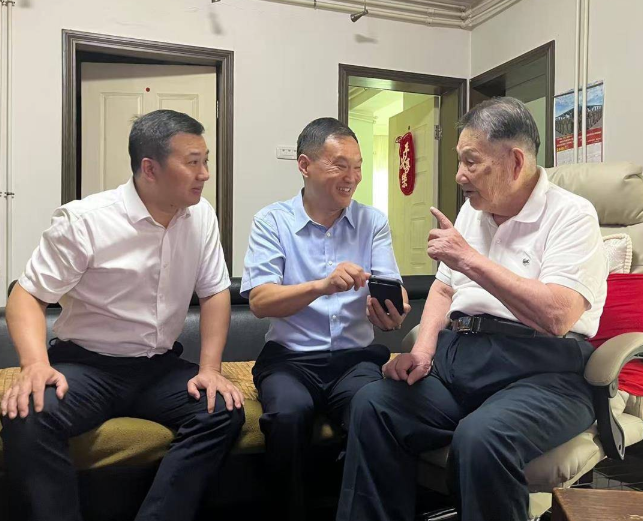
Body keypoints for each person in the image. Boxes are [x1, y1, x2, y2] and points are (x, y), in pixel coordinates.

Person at [336, 97, 607, 521]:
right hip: (461, 358)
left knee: (481, 438)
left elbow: (557, 316)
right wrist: (422, 351)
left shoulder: (572, 215)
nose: (459, 175)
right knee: (373, 404)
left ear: (515, 162)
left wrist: (469, 259)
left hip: (543, 370)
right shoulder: (472, 211)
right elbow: (444, 289)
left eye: (471, 161)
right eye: (459, 160)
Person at [0, 109, 245, 521]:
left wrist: (210, 369)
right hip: (87, 366)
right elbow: (26, 296)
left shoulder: (201, 216)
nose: (205, 174)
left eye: (205, 161)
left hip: (157, 369)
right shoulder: (85, 221)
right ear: (150, 168)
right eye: (192, 162)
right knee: (28, 415)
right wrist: (35, 365)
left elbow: (215, 292)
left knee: (222, 411)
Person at [241, 117, 410, 521]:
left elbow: (393, 288)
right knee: (287, 415)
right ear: (305, 165)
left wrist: (393, 309)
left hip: (355, 360)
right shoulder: (272, 221)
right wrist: (322, 286)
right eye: (340, 165)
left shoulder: (372, 222)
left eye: (358, 166)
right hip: (290, 360)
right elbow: (260, 301)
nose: (352, 178)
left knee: (374, 410)